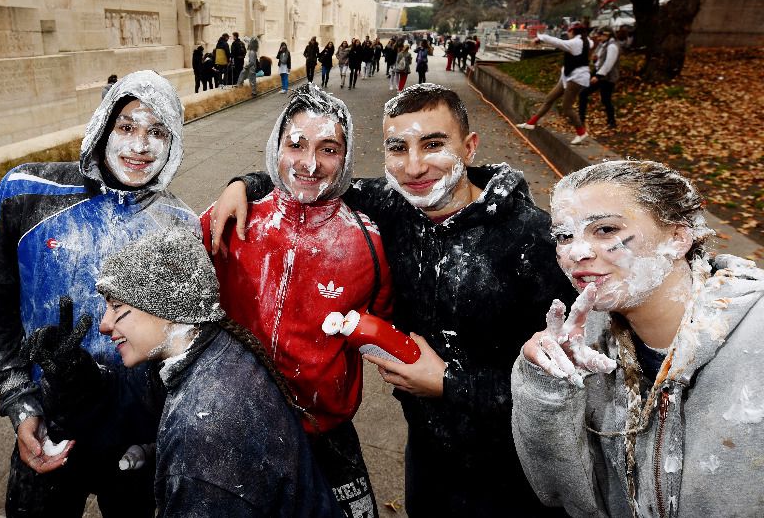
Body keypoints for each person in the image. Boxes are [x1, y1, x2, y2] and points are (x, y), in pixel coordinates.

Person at [211, 84, 573, 516]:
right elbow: (309, 176)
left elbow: (573, 390)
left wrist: (451, 384)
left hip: (516, 474)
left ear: (470, 147)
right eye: (398, 148)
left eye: (434, 144)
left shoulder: (535, 242)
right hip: (427, 460)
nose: (415, 166)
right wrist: (242, 185)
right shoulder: (392, 205)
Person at [0, 71, 199, 518]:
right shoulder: (26, 194)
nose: (139, 146)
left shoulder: (181, 227)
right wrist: (20, 401)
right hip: (47, 427)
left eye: (157, 131)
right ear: (103, 125)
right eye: (126, 126)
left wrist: (151, 431)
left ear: (174, 142)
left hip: (133, 438)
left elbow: (182, 348)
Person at [512, 160, 764, 517]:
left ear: (678, 238)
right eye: (564, 236)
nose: (576, 252)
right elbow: (562, 495)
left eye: (605, 230)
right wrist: (545, 388)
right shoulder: (584, 344)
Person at [202, 86, 394, 517]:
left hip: (325, 433)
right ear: (276, 146)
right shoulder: (229, 220)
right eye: (296, 144)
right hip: (232, 423)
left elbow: (380, 328)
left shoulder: (368, 242)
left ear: (345, 159)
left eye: (328, 149)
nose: (310, 163)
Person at [89, 228, 341, 517]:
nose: (104, 324)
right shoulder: (217, 347)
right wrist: (76, 380)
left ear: (170, 306)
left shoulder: (205, 435)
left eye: (117, 306)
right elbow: (136, 397)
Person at [516, 23, 593, 145]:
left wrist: (541, 37)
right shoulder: (586, 41)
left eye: (569, 31)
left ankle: (581, 132)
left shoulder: (575, 43)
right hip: (568, 76)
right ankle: (531, 123)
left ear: (573, 32)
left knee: (567, 108)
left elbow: (558, 42)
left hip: (576, 78)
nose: (567, 33)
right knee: (549, 98)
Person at [578, 26, 619, 130]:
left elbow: (609, 64)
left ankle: (612, 122)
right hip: (598, 73)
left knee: (605, 99)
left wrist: (598, 76)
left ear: (607, 35)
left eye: (600, 36)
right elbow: (598, 58)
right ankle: (581, 119)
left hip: (607, 77)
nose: (598, 38)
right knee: (583, 93)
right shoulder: (602, 45)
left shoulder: (612, 46)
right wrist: (594, 60)